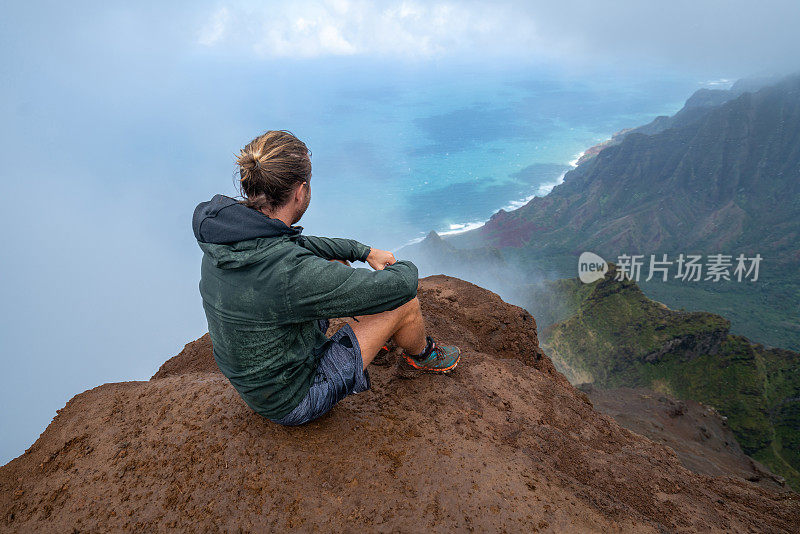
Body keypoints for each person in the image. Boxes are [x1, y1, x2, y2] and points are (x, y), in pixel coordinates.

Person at [192, 130, 461, 426]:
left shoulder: (228, 236)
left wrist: (364, 251)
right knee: (402, 304)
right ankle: (423, 356)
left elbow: (300, 245)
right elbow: (403, 284)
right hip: (291, 399)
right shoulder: (287, 271)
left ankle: (380, 336)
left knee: (333, 262)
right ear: (300, 191)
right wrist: (400, 269)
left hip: (259, 375)